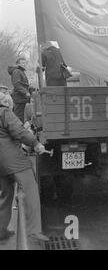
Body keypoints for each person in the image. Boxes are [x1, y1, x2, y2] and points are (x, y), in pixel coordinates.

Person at [0, 92, 49, 242]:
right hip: (12, 160)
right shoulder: (4, 112)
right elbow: (19, 131)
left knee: (6, 194)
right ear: (7, 103)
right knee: (30, 190)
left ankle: (1, 231)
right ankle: (34, 230)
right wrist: (35, 143)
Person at [8, 57, 31, 123]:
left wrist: (29, 89)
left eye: (25, 63)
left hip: (22, 97)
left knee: (21, 116)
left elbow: (22, 84)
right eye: (22, 63)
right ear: (18, 64)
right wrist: (26, 92)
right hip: (19, 97)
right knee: (18, 116)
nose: (24, 64)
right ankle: (16, 131)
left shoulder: (20, 71)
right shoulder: (17, 71)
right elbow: (17, 84)